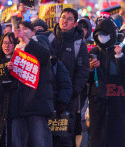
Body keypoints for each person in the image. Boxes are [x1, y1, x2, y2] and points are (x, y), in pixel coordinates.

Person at [88, 18, 125, 147]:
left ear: (112, 34)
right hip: (98, 101)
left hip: (118, 99)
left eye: (105, 34)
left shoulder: (121, 49)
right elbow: (87, 78)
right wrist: (90, 68)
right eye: (99, 35)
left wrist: (119, 57)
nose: (101, 37)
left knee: (118, 135)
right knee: (99, 136)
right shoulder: (94, 52)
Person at [9, 21, 53, 147]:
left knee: (39, 141)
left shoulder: (39, 41)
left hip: (37, 103)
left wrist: (27, 40)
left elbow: (45, 55)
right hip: (20, 105)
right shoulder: (17, 48)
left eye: (25, 29)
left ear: (33, 32)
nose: (22, 31)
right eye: (20, 29)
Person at [51, 8, 90, 146]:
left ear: (75, 24)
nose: (65, 21)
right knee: (49, 136)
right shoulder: (50, 39)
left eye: (69, 19)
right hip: (49, 96)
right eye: (63, 17)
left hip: (68, 98)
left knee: (65, 136)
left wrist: (72, 92)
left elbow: (83, 71)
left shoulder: (79, 44)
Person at [0, 32, 17, 147]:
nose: (7, 46)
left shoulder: (19, 61)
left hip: (14, 102)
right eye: (5, 43)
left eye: (10, 43)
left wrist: (14, 71)